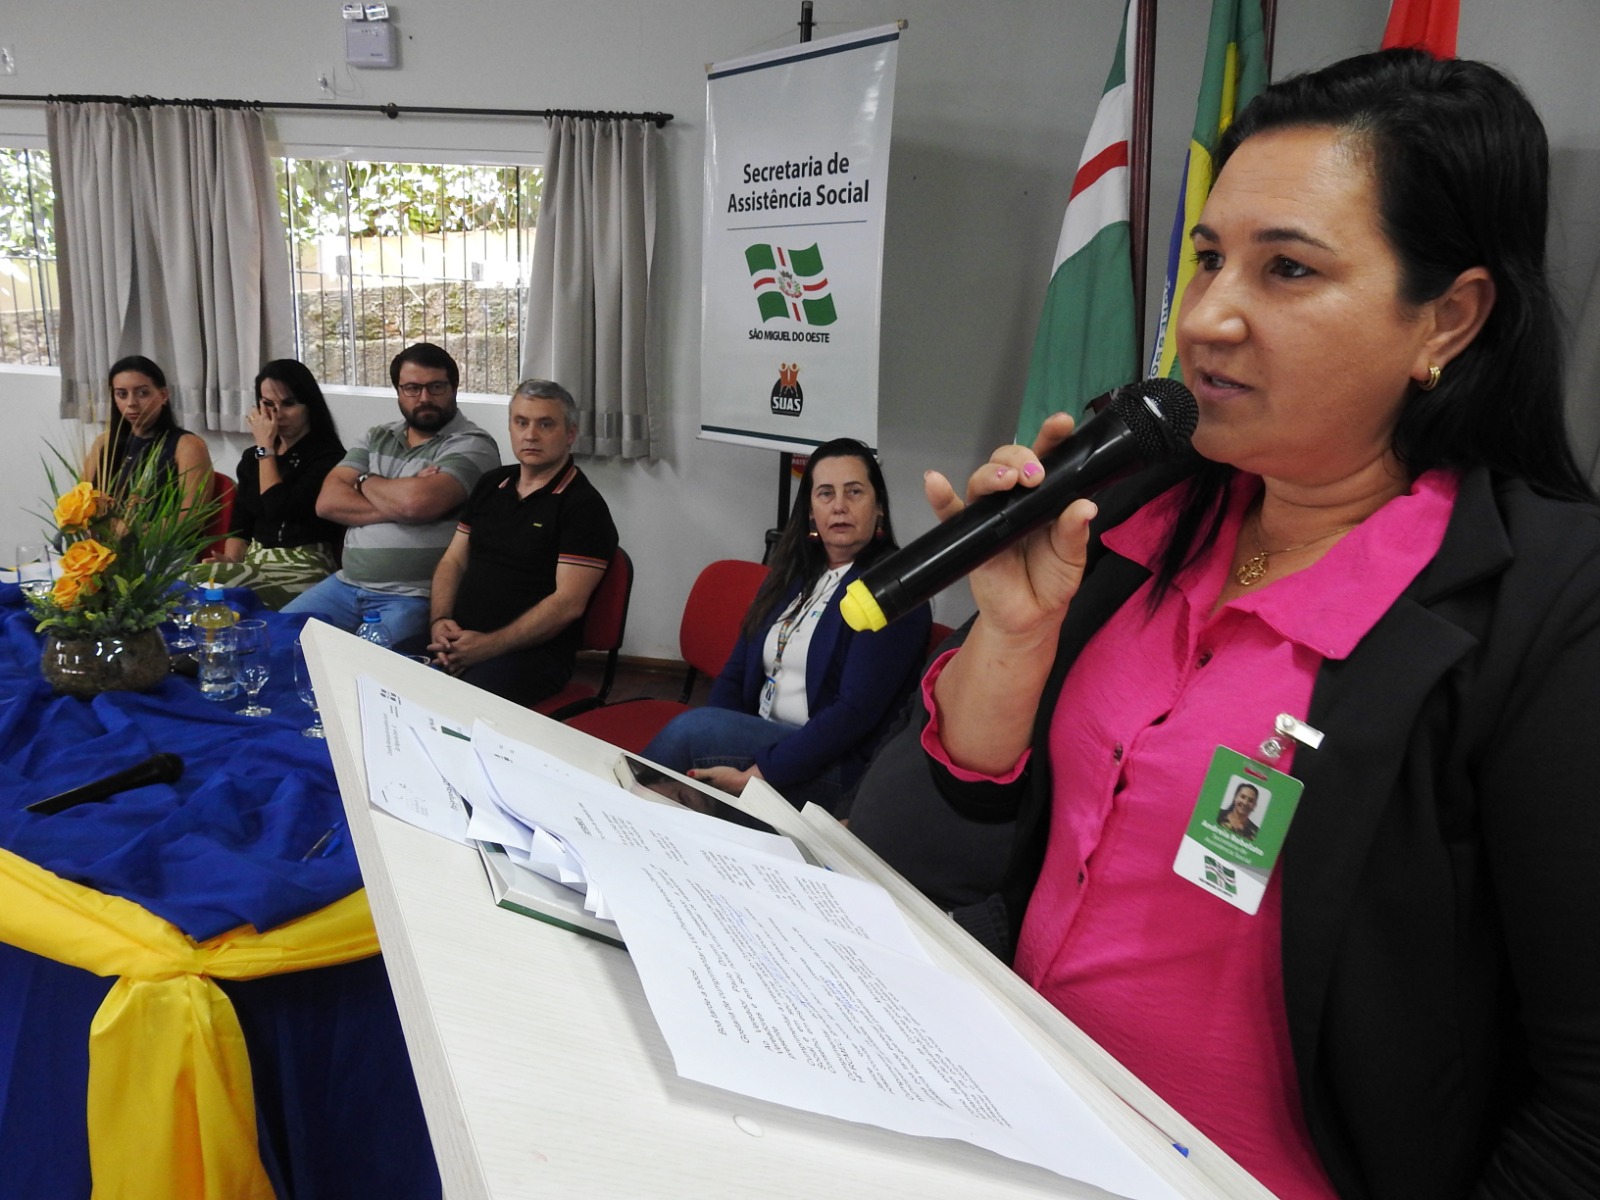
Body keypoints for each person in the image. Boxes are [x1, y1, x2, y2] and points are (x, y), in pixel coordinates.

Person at [916, 51, 1600, 1200]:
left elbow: (1583, 1111)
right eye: (1207, 258)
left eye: (1286, 268)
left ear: (1446, 319)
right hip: (1009, 1125)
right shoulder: (1144, 496)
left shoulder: (1549, 604)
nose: (1205, 319)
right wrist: (1014, 637)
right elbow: (941, 831)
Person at [643, 438, 932, 812]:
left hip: (831, 765)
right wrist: (722, 740)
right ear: (811, 511)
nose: (839, 506)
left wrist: (759, 772)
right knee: (688, 765)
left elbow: (853, 715)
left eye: (854, 492)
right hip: (763, 742)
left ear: (878, 507)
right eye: (825, 493)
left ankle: (605, 810)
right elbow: (735, 674)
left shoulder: (893, 591)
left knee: (690, 735)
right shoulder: (791, 576)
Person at [283, 342, 499, 645]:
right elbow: (327, 502)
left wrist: (363, 481)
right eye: (412, 388)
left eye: (436, 387)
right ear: (398, 391)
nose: (424, 398)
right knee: (275, 637)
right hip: (345, 586)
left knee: (368, 665)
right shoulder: (376, 436)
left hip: (413, 597)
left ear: (454, 387)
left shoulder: (473, 443)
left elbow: (417, 503)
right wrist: (401, 501)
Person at [425, 379, 617, 705]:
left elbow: (567, 604)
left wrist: (485, 647)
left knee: (453, 703)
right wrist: (440, 620)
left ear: (570, 433)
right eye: (521, 422)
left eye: (546, 424)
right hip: (459, 639)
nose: (531, 435)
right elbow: (453, 560)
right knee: (383, 669)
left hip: (531, 656)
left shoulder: (584, 507)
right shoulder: (491, 484)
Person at [200, 360, 346, 608]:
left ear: (309, 406)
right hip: (255, 562)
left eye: (289, 404)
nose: (277, 414)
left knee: (216, 588)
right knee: (192, 581)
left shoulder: (328, 458)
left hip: (304, 565)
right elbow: (241, 526)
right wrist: (230, 562)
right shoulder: (252, 458)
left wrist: (265, 448)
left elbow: (278, 507)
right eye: (268, 404)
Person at [83, 355, 212, 514]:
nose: (131, 403)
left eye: (143, 393)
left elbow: (192, 516)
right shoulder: (104, 442)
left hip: (159, 530)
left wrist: (129, 528)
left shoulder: (188, 446)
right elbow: (83, 502)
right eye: (122, 394)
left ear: (163, 395)